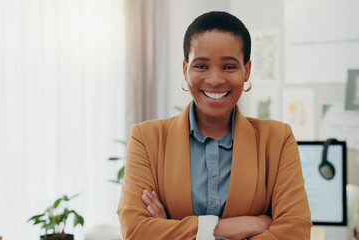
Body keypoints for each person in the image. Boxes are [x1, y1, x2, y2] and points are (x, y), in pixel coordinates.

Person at [117, 11, 312, 239]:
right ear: (185, 69)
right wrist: (232, 227)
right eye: (201, 66)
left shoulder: (278, 140)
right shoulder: (147, 138)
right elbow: (136, 232)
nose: (215, 79)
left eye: (229, 67)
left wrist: (170, 229)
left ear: (246, 70)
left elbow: (295, 232)